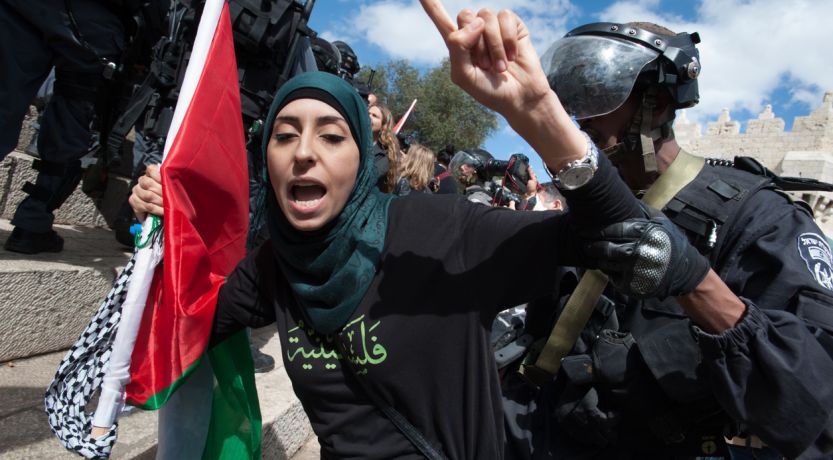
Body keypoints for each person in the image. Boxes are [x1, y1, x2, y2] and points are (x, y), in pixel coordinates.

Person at [129, 2, 719, 457]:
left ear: (364, 159)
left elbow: (608, 237)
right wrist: (161, 232)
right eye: (285, 135)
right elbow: (170, 330)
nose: (304, 153)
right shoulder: (274, 268)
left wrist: (537, 112)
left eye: (332, 136)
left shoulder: (439, 229)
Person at [502, 21, 833, 460]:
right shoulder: (581, 207)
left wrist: (695, 282)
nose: (580, 117)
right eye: (573, 99)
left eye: (598, 95)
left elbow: (814, 408)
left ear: (654, 104)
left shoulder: (759, 218)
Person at [1, 0, 128, 254]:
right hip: (93, 20)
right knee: (76, 111)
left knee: (6, 96)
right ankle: (32, 222)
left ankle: (34, 223)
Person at [369, 102, 400, 192]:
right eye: (368, 114)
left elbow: (370, 176)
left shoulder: (387, 153)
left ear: (383, 126)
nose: (369, 117)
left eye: (374, 116)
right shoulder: (352, 140)